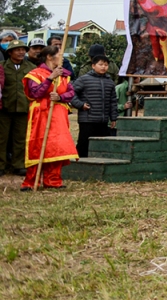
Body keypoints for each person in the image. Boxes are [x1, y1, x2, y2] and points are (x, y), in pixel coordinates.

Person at [21, 49, 77, 190]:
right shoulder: (35, 74)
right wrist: (50, 78)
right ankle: (31, 181)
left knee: (56, 147)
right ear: (49, 57)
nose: (62, 58)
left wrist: (60, 97)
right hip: (41, 113)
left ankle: (53, 180)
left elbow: (70, 92)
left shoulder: (64, 75)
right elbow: (35, 92)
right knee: (38, 146)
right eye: (59, 55)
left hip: (58, 114)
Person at [70, 44, 125, 157]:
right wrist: (80, 105)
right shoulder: (83, 79)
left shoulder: (109, 82)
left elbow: (113, 101)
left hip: (103, 119)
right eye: (100, 64)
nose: (103, 67)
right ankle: (78, 164)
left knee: (101, 144)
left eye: (106, 65)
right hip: (87, 118)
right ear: (93, 66)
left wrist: (113, 117)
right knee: (84, 143)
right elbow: (71, 93)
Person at [0, 41, 35, 175]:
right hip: (5, 108)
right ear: (10, 52)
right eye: (17, 50)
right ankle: (1, 165)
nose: (21, 52)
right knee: (2, 138)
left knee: (20, 138)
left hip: (23, 107)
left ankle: (19, 164)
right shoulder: (2, 67)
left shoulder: (31, 67)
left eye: (23, 50)